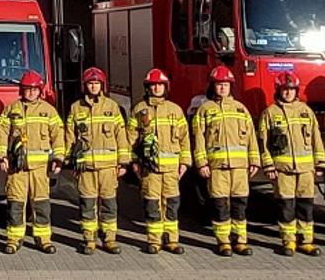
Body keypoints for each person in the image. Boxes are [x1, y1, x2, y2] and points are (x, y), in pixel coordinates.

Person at [193, 65, 260, 256]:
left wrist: (254, 160)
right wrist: (202, 163)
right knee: (220, 205)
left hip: (240, 168)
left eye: (225, 84)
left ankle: (240, 241)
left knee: (240, 204)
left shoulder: (241, 109)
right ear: (212, 86)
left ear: (231, 86)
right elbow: (198, 139)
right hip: (217, 168)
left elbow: (251, 137)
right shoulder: (205, 110)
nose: (222, 88)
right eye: (218, 84)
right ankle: (223, 242)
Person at [0, 70, 64, 254]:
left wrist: (58, 158)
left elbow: (58, 135)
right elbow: (1, 133)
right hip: (16, 168)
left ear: (40, 90)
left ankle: (43, 239)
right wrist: (1, 155)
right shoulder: (12, 109)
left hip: (40, 168)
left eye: (34, 89)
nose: (31, 92)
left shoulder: (48, 111)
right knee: (15, 204)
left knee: (41, 205)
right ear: (21, 90)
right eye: (27, 89)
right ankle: (14, 239)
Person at [261, 71, 325, 255]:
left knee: (306, 205)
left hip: (306, 169)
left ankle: (306, 241)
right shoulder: (270, 113)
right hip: (282, 170)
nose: (288, 93)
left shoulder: (306, 111)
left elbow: (316, 139)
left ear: (296, 91)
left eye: (291, 89)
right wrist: (268, 165)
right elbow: (263, 143)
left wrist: (320, 162)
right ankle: (288, 241)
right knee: (286, 206)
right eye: (284, 89)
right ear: (278, 91)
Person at [66, 67, 130, 255]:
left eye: (97, 83)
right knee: (87, 205)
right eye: (90, 83)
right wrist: (70, 162)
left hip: (109, 168)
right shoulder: (76, 108)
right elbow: (69, 136)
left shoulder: (112, 107)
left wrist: (123, 162)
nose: (94, 86)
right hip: (85, 168)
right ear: (84, 86)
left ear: (102, 85)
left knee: (109, 204)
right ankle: (89, 239)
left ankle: (110, 239)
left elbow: (121, 135)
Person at [129, 68, 191, 254]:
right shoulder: (139, 110)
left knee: (171, 205)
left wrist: (185, 163)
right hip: (149, 169)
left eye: (160, 85)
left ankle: (172, 240)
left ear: (166, 87)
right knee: (152, 205)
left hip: (172, 169)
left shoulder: (175, 110)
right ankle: (154, 241)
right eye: (153, 85)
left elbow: (184, 139)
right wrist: (133, 162)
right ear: (148, 88)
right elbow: (131, 139)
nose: (156, 88)